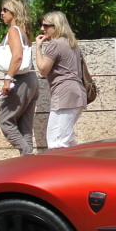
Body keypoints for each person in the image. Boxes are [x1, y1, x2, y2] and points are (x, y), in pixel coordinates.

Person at [33, 10, 87, 149]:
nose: (42, 29)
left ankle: (63, 170)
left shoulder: (55, 44)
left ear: (55, 26)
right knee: (67, 139)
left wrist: (38, 48)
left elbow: (43, 69)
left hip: (64, 95)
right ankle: (77, 168)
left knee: (57, 141)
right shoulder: (72, 44)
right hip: (77, 94)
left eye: (45, 26)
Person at [0, 0, 39, 156]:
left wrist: (8, 79)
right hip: (31, 80)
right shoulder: (24, 31)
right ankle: (29, 165)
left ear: (14, 12)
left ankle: (28, 154)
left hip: (20, 81)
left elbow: (17, 57)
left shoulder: (14, 31)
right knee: (25, 126)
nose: (2, 13)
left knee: (5, 121)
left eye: (5, 10)